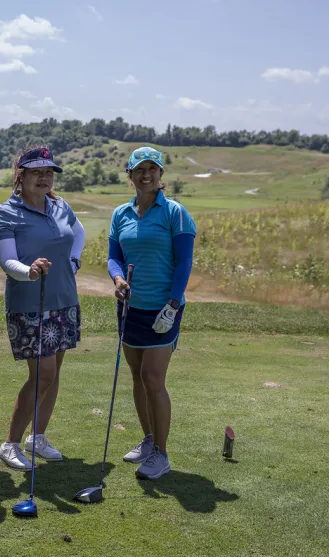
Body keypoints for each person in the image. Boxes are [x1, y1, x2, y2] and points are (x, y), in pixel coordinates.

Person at [0, 146, 85, 470]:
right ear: (21, 175)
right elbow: (7, 260)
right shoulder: (5, 213)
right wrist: (27, 271)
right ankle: (11, 443)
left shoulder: (59, 206)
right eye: (36, 172)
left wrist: (74, 259)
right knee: (42, 374)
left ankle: (38, 437)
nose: (44, 178)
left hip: (63, 298)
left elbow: (78, 232)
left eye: (48, 172)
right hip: (30, 304)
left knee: (53, 373)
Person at [107, 146, 196, 480]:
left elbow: (184, 261)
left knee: (152, 378)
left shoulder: (175, 213)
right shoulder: (121, 214)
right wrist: (117, 278)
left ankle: (162, 453)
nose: (147, 175)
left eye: (153, 169)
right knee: (136, 376)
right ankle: (148, 439)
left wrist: (173, 304)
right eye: (139, 169)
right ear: (130, 175)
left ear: (161, 175)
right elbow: (113, 255)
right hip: (131, 306)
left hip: (164, 308)